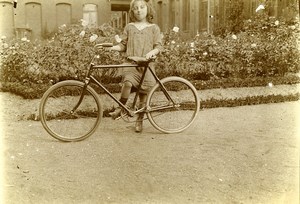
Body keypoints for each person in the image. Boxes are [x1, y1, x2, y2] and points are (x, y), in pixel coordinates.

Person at [108, 0, 163, 133]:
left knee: (144, 93)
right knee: (127, 83)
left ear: (147, 9)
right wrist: (114, 48)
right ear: (132, 11)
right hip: (131, 62)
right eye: (136, 8)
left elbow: (159, 46)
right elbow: (124, 45)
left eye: (142, 7)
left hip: (146, 64)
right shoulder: (129, 27)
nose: (139, 10)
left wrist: (152, 52)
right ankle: (121, 108)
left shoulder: (154, 28)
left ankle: (139, 119)